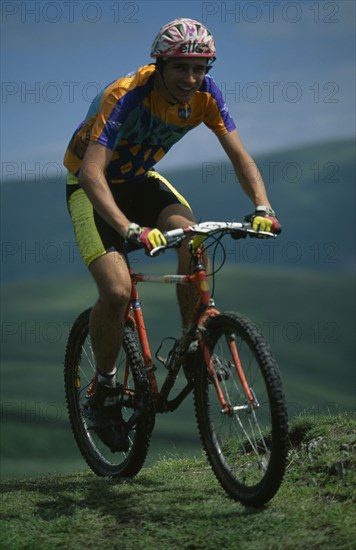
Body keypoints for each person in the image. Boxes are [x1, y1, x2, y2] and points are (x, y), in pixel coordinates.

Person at [63, 18, 281, 452]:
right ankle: (104, 389)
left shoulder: (205, 96)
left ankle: (193, 347)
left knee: (192, 237)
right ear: (160, 65)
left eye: (201, 69)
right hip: (92, 186)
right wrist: (128, 228)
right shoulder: (125, 94)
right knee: (117, 291)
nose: (191, 78)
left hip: (140, 180)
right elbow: (91, 172)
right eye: (181, 68)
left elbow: (240, 156)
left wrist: (263, 206)